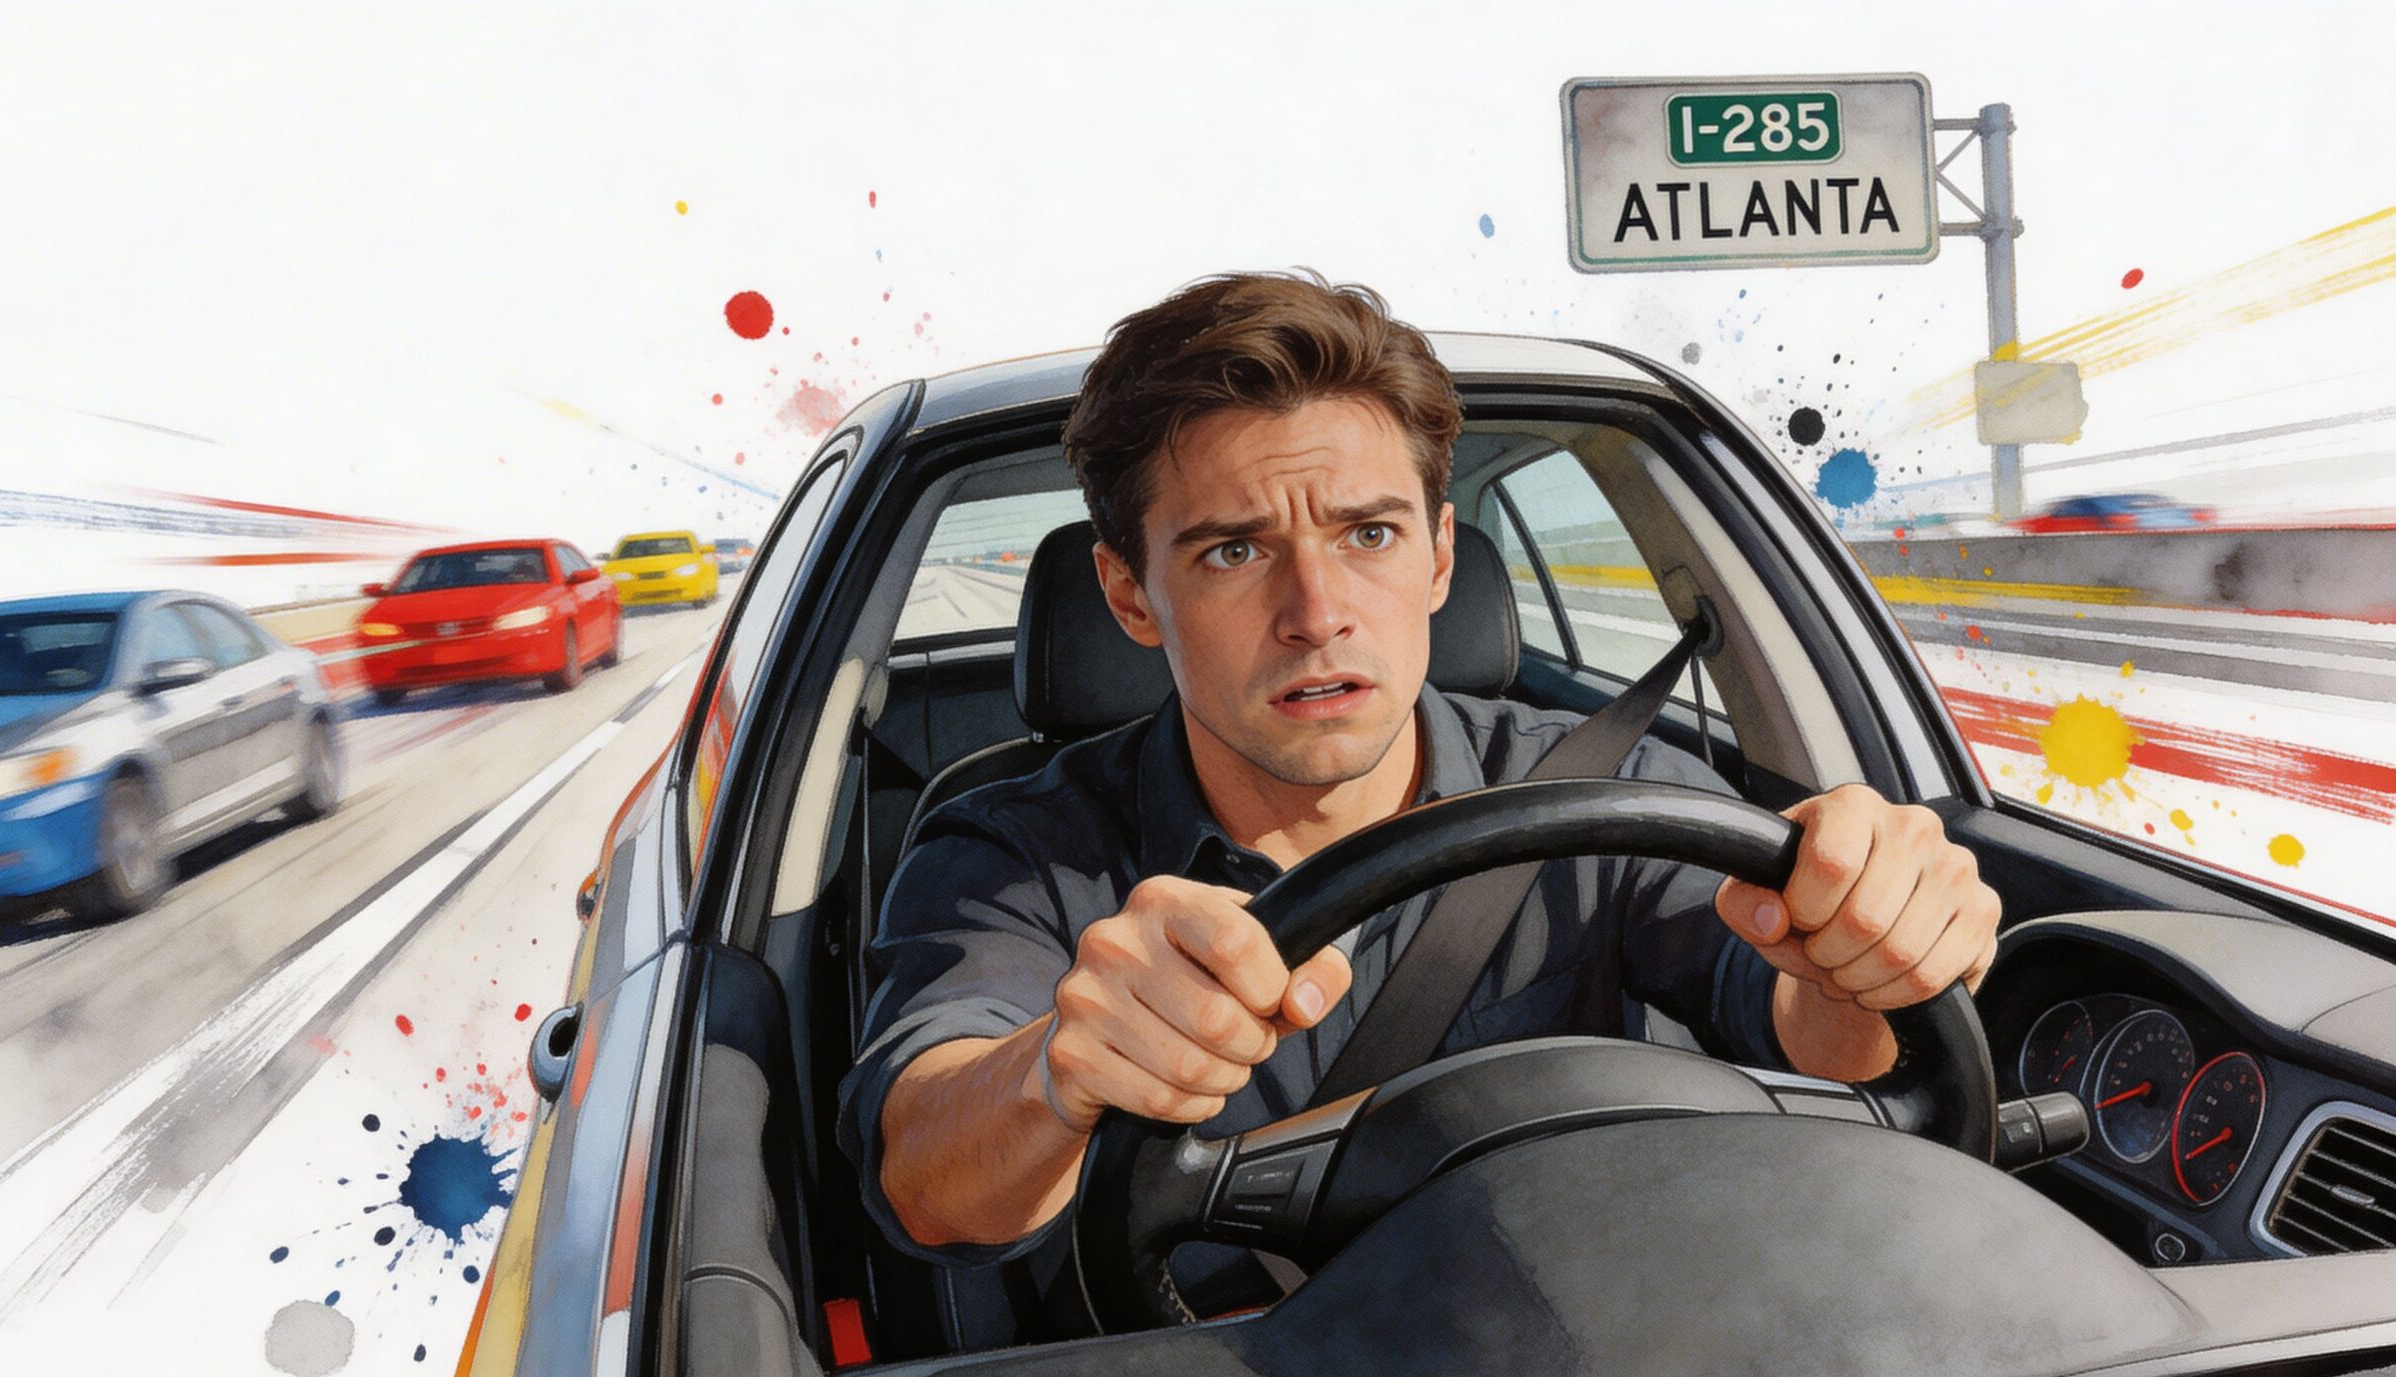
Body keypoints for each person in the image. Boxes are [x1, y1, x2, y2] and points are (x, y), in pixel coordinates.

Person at [836, 271, 2000, 1306]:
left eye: (1368, 536)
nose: (1316, 613)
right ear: (1131, 597)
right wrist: (1055, 1072)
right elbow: (927, 1182)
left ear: (1439, 557)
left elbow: (1813, 1042)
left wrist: (1868, 946)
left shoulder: (1615, 793)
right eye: (1233, 551)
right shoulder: (1014, 855)